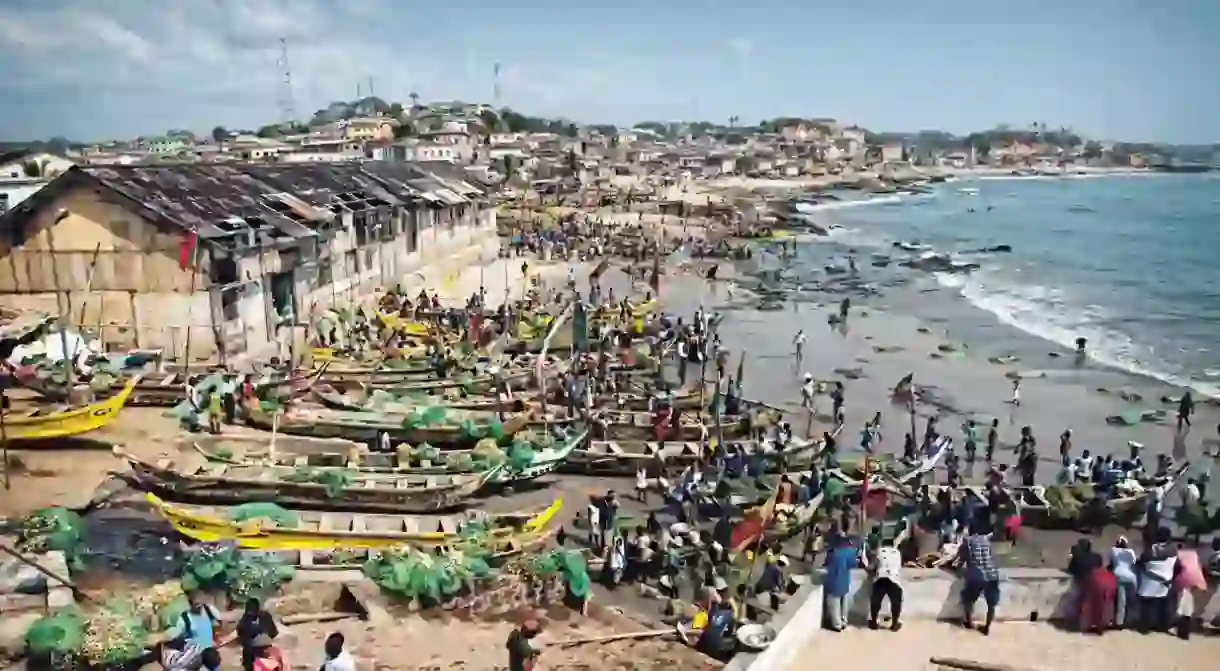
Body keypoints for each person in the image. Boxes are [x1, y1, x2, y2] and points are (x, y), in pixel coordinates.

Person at [955, 516, 1000, 635]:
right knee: (991, 603)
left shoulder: (967, 541)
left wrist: (957, 569)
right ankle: (987, 627)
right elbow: (991, 557)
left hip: (977, 575)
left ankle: (969, 623)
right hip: (992, 574)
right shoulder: (986, 540)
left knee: (968, 599)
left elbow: (961, 560)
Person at [1136, 527, 1180, 633]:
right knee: (1164, 606)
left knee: (1147, 605)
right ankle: (1162, 626)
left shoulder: (1150, 549)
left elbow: (1142, 561)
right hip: (1166, 582)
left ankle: (1145, 628)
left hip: (1150, 582)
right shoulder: (1173, 549)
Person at [864, 535, 904, 631]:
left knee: (876, 601)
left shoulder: (879, 552)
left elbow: (872, 567)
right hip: (894, 579)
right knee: (896, 602)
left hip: (881, 577)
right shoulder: (898, 553)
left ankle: (874, 622)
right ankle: (894, 624)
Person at [823, 534, 859, 631]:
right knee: (844, 603)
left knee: (834, 604)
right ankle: (844, 621)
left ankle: (837, 625)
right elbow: (853, 564)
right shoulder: (851, 552)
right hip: (844, 579)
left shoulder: (832, 552)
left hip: (833, 579)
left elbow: (826, 563)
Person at [236, 598, 278, 671]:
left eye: (251, 613)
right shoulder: (246, 618)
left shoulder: (265, 616)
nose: (250, 615)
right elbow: (241, 631)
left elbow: (273, 632)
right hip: (253, 648)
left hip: (261, 648)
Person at [1110, 536, 1138, 629]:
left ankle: (1119, 622)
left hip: (1119, 576)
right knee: (1132, 600)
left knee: (1121, 601)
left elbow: (1112, 563)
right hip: (1131, 577)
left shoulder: (1113, 550)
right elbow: (1134, 563)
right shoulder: (1131, 552)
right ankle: (1130, 621)